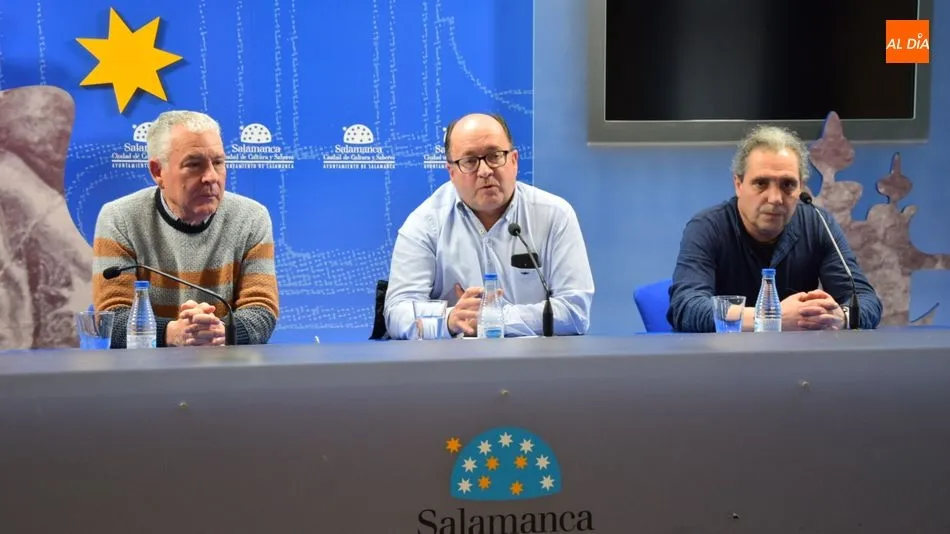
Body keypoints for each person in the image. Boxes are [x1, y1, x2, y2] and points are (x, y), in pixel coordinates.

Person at [384, 112, 594, 339]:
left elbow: (575, 312)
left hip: (535, 365)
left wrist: (493, 318)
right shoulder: (425, 223)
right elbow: (397, 313)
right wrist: (450, 319)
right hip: (452, 367)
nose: (485, 171)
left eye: (495, 156)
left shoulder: (554, 215)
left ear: (514, 161)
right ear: (451, 172)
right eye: (470, 161)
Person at [667, 125, 882, 332]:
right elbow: (686, 308)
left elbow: (866, 300)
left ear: (800, 188)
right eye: (761, 183)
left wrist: (840, 317)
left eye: (787, 184)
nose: (775, 198)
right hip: (725, 361)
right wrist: (771, 317)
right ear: (738, 184)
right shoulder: (707, 227)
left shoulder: (818, 223)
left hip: (798, 364)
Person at [92, 110, 279, 347]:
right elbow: (111, 318)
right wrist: (171, 333)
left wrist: (221, 332)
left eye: (218, 162)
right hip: (144, 376)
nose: (211, 177)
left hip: (227, 371)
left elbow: (261, 310)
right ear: (158, 171)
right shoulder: (120, 219)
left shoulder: (251, 218)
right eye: (194, 165)